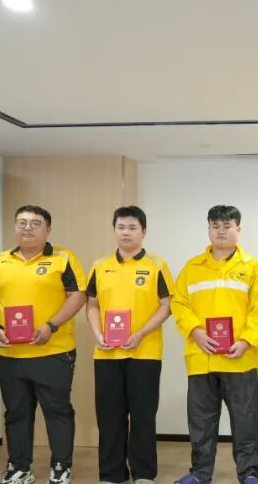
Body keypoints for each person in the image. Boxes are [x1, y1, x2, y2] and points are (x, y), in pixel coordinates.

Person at [0, 205, 87, 484]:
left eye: (35, 223)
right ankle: (19, 467)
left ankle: (61, 466)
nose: (27, 227)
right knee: (16, 413)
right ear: (15, 227)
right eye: (22, 222)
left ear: (48, 229)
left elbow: (77, 296)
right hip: (11, 353)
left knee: (57, 411)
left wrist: (51, 326)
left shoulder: (63, 258)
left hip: (53, 351)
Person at [172, 205, 258, 484]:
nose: (221, 231)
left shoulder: (252, 267)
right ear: (209, 229)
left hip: (240, 358)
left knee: (245, 421)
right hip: (201, 357)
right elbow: (179, 304)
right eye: (215, 226)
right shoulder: (192, 268)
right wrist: (196, 332)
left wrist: (247, 341)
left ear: (239, 229)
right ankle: (200, 474)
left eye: (227, 226)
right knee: (201, 422)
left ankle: (249, 473)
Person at [86, 206, 174, 484]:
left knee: (143, 415)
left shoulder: (157, 265)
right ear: (114, 230)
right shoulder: (100, 266)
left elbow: (167, 305)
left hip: (145, 352)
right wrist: (98, 333)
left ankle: (144, 473)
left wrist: (142, 332)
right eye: (121, 227)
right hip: (107, 353)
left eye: (132, 227)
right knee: (109, 417)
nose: (126, 232)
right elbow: (92, 304)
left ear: (143, 232)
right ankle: (111, 474)